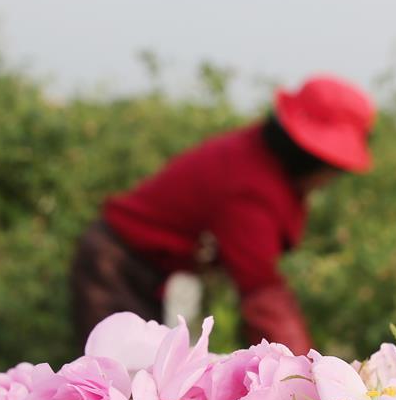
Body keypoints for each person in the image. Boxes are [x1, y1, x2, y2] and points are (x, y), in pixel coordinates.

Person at [71, 75, 375, 354]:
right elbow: (263, 295)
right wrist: (308, 379)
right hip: (117, 268)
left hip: (153, 271)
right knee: (123, 383)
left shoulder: (262, 164)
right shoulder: (251, 187)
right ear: (313, 161)